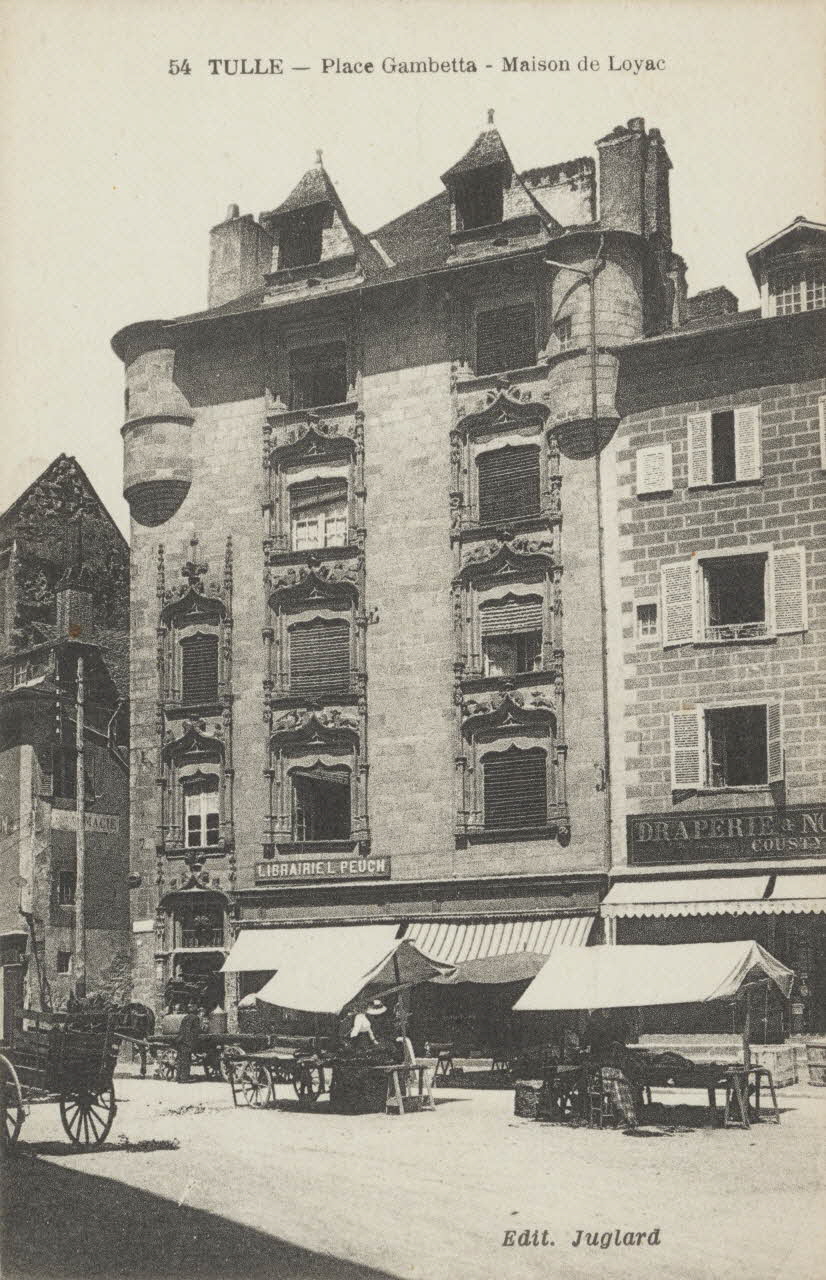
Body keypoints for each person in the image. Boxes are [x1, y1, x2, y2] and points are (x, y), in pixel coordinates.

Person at [175, 1004, 201, 1083]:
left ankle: (178, 1077)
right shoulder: (195, 1018)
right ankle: (184, 1078)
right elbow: (196, 1030)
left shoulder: (185, 1017)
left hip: (181, 1040)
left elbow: (182, 1029)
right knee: (186, 1060)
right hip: (188, 1041)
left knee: (181, 1059)